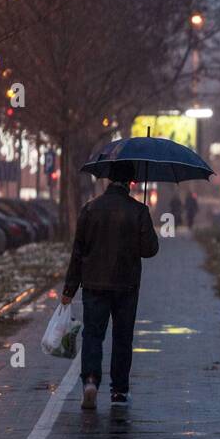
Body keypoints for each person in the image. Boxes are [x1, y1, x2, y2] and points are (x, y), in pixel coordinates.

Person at [61, 160, 159, 408]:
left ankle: (91, 380)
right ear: (130, 182)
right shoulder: (138, 211)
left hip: (93, 284)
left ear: (108, 180)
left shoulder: (90, 209)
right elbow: (150, 250)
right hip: (126, 285)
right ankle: (119, 391)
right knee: (122, 337)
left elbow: (78, 252)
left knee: (93, 334)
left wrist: (69, 290)